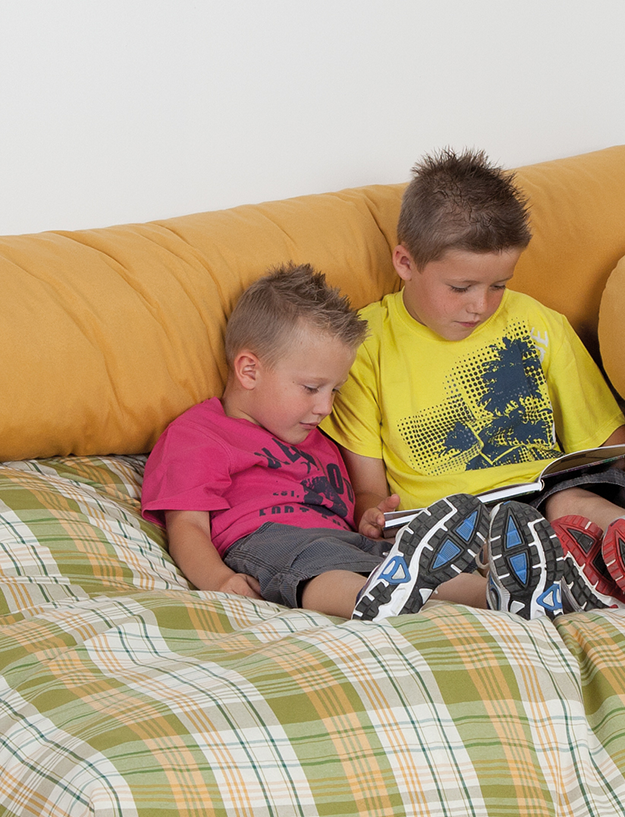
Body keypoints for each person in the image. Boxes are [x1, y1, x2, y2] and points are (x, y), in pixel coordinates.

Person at [326, 149, 625, 614]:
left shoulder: (537, 324)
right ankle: (560, 577)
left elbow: (607, 441)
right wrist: (373, 514)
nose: (481, 306)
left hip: (543, 493)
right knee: (474, 544)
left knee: (571, 499)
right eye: (461, 288)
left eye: (499, 285)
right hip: (451, 521)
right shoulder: (364, 346)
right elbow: (369, 490)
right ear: (405, 262)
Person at [141, 264, 566, 622]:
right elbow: (187, 526)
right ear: (249, 370)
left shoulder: (318, 439)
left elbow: (353, 506)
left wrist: (370, 518)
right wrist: (218, 580)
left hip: (348, 543)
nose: (325, 406)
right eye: (312, 388)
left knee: (412, 567)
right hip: (268, 541)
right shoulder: (200, 433)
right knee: (319, 565)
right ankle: (373, 602)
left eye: (335, 390)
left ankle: (512, 597)